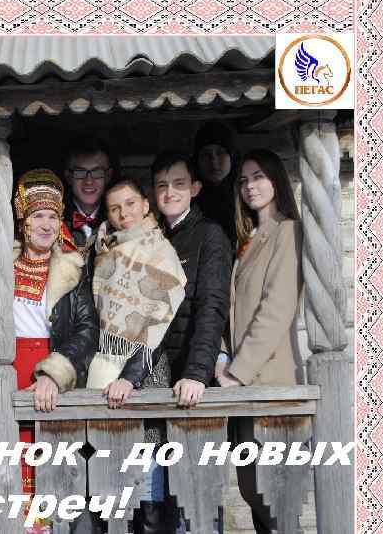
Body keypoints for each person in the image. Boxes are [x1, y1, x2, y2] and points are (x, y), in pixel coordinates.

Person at [88, 178, 186, 534]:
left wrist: (130, 377)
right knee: (110, 488)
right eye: (114, 208)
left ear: (145, 205)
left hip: (146, 372)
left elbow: (160, 324)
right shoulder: (103, 249)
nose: (123, 213)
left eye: (130, 204)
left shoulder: (160, 251)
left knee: (146, 488)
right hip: (104, 371)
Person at [216, 149, 303, 534]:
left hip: (270, 381)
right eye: (243, 180)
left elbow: (276, 309)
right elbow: (232, 312)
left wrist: (238, 372)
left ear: (276, 180)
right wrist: (222, 359)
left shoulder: (288, 231)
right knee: (253, 491)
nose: (250, 186)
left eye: (259, 177)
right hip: (242, 385)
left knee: (274, 498)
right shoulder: (247, 239)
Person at [146, 153, 232, 534]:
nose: (170, 192)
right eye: (162, 185)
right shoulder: (153, 238)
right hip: (156, 381)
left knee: (195, 499)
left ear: (195, 188)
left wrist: (198, 372)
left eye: (179, 184)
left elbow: (212, 306)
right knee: (156, 498)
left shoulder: (209, 235)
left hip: (190, 382)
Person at [13, 168, 99, 532]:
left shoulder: (72, 269)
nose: (46, 225)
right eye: (38, 216)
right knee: (11, 465)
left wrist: (54, 373)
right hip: (9, 373)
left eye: (52, 216)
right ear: (24, 223)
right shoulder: (1, 268)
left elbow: (87, 329)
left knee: (54, 466)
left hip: (53, 375)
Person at [62, 136, 114, 269]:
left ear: (108, 176)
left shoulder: (121, 220)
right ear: (69, 177)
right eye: (80, 172)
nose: (89, 181)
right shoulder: (53, 220)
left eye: (97, 172)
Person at [192, 121, 240, 248]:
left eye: (220, 152)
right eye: (206, 154)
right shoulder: (186, 202)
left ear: (231, 156)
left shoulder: (247, 196)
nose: (213, 161)